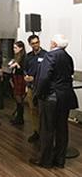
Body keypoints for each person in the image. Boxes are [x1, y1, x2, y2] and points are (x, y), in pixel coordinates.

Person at [29, 35, 78, 169]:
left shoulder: (50, 56)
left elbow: (44, 78)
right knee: (62, 129)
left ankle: (46, 160)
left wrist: (38, 94)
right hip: (65, 97)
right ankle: (60, 160)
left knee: (47, 129)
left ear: (54, 44)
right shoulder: (68, 57)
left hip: (51, 98)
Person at [24, 34, 47, 143]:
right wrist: (26, 77)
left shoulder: (46, 55)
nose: (35, 45)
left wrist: (35, 78)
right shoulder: (28, 56)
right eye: (33, 43)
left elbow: (47, 73)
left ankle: (44, 132)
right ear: (30, 44)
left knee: (43, 111)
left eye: (37, 42)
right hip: (31, 88)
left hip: (42, 89)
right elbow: (25, 69)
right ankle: (36, 131)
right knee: (33, 110)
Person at [9, 41, 27, 125]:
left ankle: (20, 117)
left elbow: (23, 69)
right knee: (16, 97)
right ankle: (18, 117)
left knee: (19, 97)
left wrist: (17, 65)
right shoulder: (16, 56)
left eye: (15, 48)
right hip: (16, 78)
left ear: (21, 48)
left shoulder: (23, 58)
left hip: (20, 78)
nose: (14, 49)